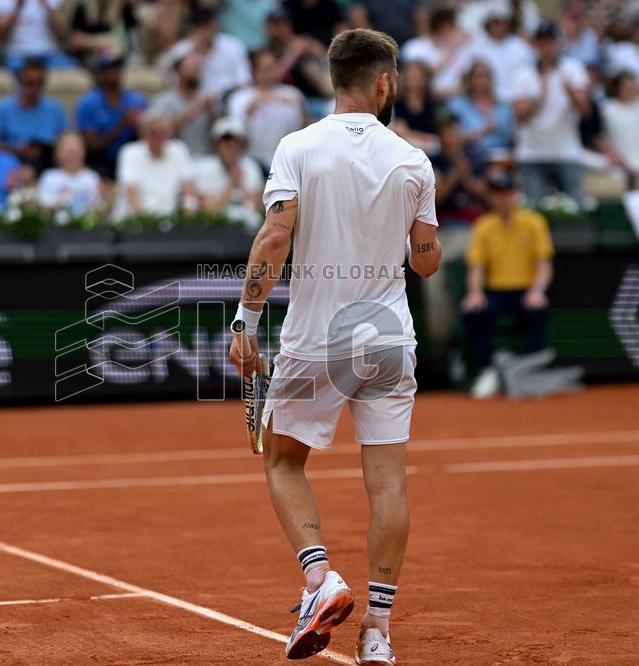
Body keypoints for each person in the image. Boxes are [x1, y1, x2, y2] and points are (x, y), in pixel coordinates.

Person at [228, 28, 440, 665]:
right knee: (387, 484)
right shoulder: (414, 161)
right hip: (387, 339)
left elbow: (273, 238)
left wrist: (245, 320)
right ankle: (377, 633)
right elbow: (425, 264)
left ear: (333, 80)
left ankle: (321, 579)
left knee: (283, 461)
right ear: (384, 85)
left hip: (317, 339)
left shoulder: (297, 146)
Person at [462, 173, 553, 399]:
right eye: (497, 194)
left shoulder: (534, 222)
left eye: (507, 194)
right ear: (492, 197)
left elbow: (543, 264)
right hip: (496, 291)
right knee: (474, 313)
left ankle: (530, 371)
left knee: (537, 310)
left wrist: (537, 291)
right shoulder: (483, 226)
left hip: (526, 290)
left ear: (515, 195)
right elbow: (477, 267)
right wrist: (475, 293)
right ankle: (486, 372)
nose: (502, 199)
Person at [510, 20, 591, 207]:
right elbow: (520, 115)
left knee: (575, 209)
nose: (547, 46)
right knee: (534, 210)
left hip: (567, 151)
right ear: (535, 44)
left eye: (550, 40)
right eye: (542, 41)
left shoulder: (573, 69)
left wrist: (570, 92)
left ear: (558, 42)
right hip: (532, 153)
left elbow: (585, 110)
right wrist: (540, 97)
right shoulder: (522, 74)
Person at [226, 49, 306, 171]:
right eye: (266, 68)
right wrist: (249, 110)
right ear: (255, 72)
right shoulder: (240, 98)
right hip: (251, 160)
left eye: (274, 66)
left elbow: (304, 127)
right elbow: (233, 131)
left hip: (288, 159)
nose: (271, 71)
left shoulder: (293, 94)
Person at [0, 57, 70, 174]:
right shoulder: (3, 108)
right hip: (13, 162)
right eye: (29, 83)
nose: (34, 88)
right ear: (20, 81)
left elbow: (66, 139)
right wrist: (17, 150)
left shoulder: (55, 108)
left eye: (39, 83)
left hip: (49, 162)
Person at [75, 52, 148, 179]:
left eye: (117, 68)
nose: (114, 73)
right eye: (109, 69)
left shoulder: (137, 99)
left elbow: (148, 138)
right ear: (100, 73)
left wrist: (139, 125)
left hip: (132, 159)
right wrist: (123, 124)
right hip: (101, 161)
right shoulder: (88, 103)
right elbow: (92, 146)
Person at [113, 108, 194, 221]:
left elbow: (188, 191)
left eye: (162, 132)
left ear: (169, 133)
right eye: (153, 132)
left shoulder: (179, 150)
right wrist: (148, 224)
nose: (157, 137)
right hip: (133, 222)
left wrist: (188, 219)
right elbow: (132, 194)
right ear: (143, 134)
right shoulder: (129, 152)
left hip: (169, 223)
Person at [158, 7, 251, 100]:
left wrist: (223, 97)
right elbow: (165, 72)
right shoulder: (181, 49)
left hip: (228, 98)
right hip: (193, 100)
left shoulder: (233, 46)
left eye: (209, 26)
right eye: (201, 27)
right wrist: (195, 51)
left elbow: (244, 81)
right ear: (194, 28)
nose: (206, 31)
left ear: (216, 25)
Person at [194, 116, 263, 225]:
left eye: (234, 141)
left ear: (241, 145)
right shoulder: (206, 167)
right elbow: (209, 210)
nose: (229, 146)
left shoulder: (250, 166)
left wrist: (241, 185)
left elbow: (256, 207)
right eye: (224, 142)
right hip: (215, 229)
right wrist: (232, 182)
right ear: (216, 144)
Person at [445, 60, 514, 167]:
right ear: (470, 80)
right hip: (469, 158)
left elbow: (508, 137)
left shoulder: (503, 107)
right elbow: (451, 137)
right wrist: (483, 131)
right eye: (479, 76)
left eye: (486, 76)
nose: (483, 80)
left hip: (500, 160)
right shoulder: (457, 105)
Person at [151, 50, 218, 157]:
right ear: (178, 71)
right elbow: (162, 133)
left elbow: (218, 135)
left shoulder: (208, 99)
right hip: (175, 158)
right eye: (192, 68)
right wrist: (194, 111)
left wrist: (212, 112)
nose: (196, 73)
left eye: (198, 69)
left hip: (206, 157)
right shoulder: (164, 101)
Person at [465, 2, 535, 103]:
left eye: (502, 22)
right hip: (484, 101)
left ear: (508, 23)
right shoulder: (476, 46)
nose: (498, 26)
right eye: (495, 22)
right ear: (488, 23)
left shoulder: (521, 47)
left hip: (515, 100)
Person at [400, 6, 471, 100]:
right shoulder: (414, 47)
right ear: (445, 27)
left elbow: (468, 80)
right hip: (428, 102)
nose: (460, 31)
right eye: (455, 26)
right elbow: (417, 78)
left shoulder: (463, 48)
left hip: (460, 100)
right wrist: (451, 51)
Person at [0, 0, 75, 71]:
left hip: (49, 52)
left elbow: (62, 32)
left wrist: (48, 7)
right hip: (16, 55)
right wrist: (17, 8)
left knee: (73, 69)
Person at [38, 131, 102, 215]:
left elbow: (98, 207)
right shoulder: (49, 177)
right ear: (56, 154)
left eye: (76, 151)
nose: (72, 155)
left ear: (84, 152)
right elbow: (43, 206)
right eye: (67, 151)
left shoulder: (92, 178)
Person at [390, 60, 440, 156]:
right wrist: (425, 139)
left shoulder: (433, 106)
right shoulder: (397, 105)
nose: (412, 79)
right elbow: (400, 133)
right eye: (409, 76)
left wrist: (411, 134)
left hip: (432, 155)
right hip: (406, 153)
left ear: (425, 79)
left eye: (416, 76)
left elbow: (439, 140)